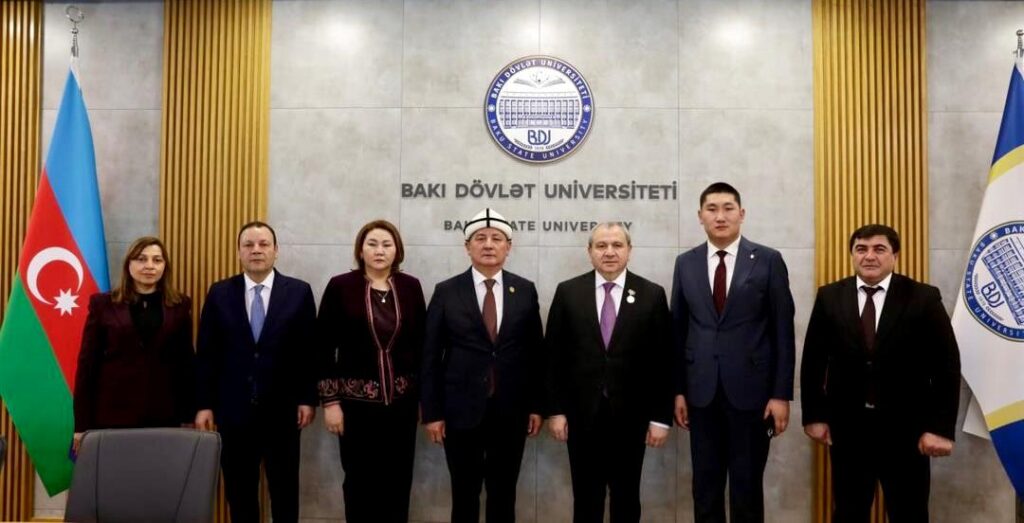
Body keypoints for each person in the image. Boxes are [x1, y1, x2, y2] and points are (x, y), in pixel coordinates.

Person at [801, 224, 961, 523]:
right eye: (861, 249)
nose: (869, 256)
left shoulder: (923, 297)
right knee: (848, 513)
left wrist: (940, 428)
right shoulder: (830, 297)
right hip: (848, 430)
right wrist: (814, 416)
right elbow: (813, 362)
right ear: (852, 255)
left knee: (910, 513)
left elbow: (946, 365)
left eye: (879, 249)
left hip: (907, 432)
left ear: (895, 255)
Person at [671, 182, 796, 523]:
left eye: (728, 208)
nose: (720, 216)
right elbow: (678, 331)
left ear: (741, 214)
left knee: (747, 489)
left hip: (753, 394)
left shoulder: (768, 260)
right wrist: (678, 390)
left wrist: (781, 394)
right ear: (700, 216)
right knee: (705, 488)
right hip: (701, 394)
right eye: (711, 209)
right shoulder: (686, 263)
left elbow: (783, 331)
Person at [421, 208, 544, 523]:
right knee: (464, 492)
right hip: (459, 410)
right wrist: (432, 412)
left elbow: (535, 353)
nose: (488, 244)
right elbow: (430, 355)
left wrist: (536, 406)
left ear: (508, 246)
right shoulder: (447, 291)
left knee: (504, 492)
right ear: (467, 246)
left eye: (496, 238)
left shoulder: (525, 289)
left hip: (511, 410)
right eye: (480, 238)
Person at [545, 222, 673, 523]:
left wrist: (660, 418)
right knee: (586, 498)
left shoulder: (652, 294)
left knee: (626, 497)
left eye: (617, 245)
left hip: (632, 416)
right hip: (581, 416)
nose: (610, 252)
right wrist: (555, 411)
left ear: (629, 250)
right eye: (601, 246)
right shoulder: (568, 292)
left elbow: (663, 361)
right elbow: (552, 357)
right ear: (589, 252)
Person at [194, 221, 317, 523]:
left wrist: (307, 398)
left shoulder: (299, 292)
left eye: (264, 244)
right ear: (239, 252)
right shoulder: (220, 293)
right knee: (240, 494)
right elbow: (207, 353)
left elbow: (308, 351)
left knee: (285, 492)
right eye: (248, 245)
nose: (256, 250)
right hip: (233, 412)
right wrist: (204, 404)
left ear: (276, 250)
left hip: (283, 411)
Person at [316, 220, 426, 523]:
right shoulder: (341, 286)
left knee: (398, 481)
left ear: (397, 251)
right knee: (359, 482)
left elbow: (421, 346)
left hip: (402, 407)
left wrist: (423, 399)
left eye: (387, 245)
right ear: (360, 250)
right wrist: (331, 402)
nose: (380, 251)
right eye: (372, 244)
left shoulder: (410, 287)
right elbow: (323, 347)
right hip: (355, 408)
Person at [73, 236, 195, 451]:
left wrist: (188, 415)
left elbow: (186, 364)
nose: (149, 265)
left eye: (157, 260)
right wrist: (81, 425)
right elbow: (87, 367)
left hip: (164, 416)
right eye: (141, 259)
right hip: (112, 416)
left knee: (160, 472)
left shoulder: (179, 305)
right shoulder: (103, 304)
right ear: (128, 264)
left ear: (165, 266)